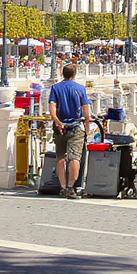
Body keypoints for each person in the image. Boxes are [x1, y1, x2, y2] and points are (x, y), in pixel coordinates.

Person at [47, 63, 92, 199]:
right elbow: (85, 109)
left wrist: (56, 120)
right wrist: (87, 126)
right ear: (74, 74)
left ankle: (62, 186)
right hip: (76, 127)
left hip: (60, 127)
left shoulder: (55, 88)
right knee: (75, 158)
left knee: (60, 157)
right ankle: (70, 187)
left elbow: (52, 107)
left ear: (62, 73)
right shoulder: (80, 88)